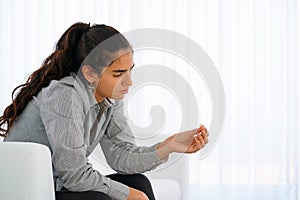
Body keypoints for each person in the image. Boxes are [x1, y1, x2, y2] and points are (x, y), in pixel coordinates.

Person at [0, 22, 209, 200]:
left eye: (130, 70)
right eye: (119, 74)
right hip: (30, 191)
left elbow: (120, 156)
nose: (129, 81)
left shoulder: (109, 97)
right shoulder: (65, 95)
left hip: (59, 188)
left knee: (138, 182)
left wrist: (168, 146)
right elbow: (74, 175)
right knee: (104, 197)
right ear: (90, 74)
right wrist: (129, 195)